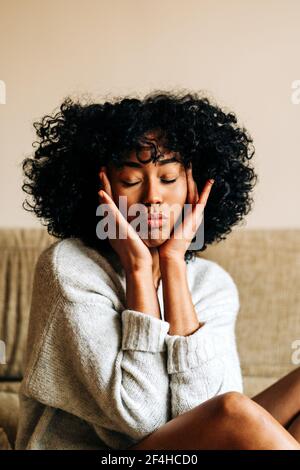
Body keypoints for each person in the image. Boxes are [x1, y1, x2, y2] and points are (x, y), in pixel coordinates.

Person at [15, 90, 300, 450]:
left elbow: (203, 415)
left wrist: (173, 264)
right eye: (131, 181)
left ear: (193, 190)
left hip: (184, 453)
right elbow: (140, 417)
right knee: (232, 409)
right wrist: (137, 269)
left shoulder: (213, 284)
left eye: (168, 179)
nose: (153, 196)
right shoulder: (69, 267)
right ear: (100, 189)